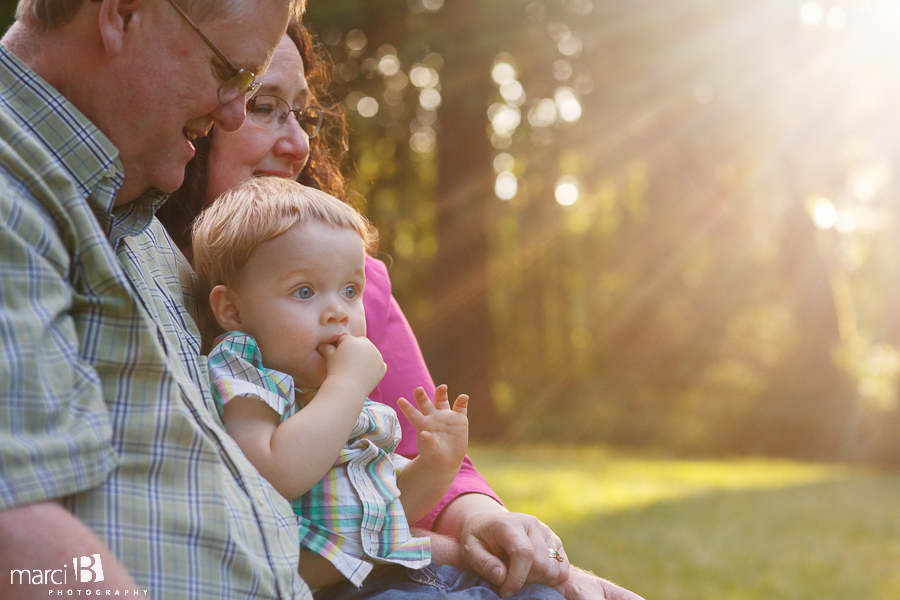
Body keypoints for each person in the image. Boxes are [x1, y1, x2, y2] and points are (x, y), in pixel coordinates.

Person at [158, 18, 644, 600]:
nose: (299, 143)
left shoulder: (358, 291)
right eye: (265, 106)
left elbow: (409, 480)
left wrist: (475, 509)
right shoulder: (145, 273)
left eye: (303, 115)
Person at [0, 0, 316, 598]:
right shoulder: (14, 189)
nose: (231, 114)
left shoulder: (128, 215)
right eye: (229, 73)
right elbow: (16, 545)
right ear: (120, 14)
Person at [192, 176, 470, 590]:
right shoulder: (244, 370)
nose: (338, 312)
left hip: (386, 575)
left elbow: (387, 516)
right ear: (233, 310)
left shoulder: (331, 395)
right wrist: (346, 386)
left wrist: (436, 465)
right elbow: (274, 472)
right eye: (305, 292)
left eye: (350, 290)